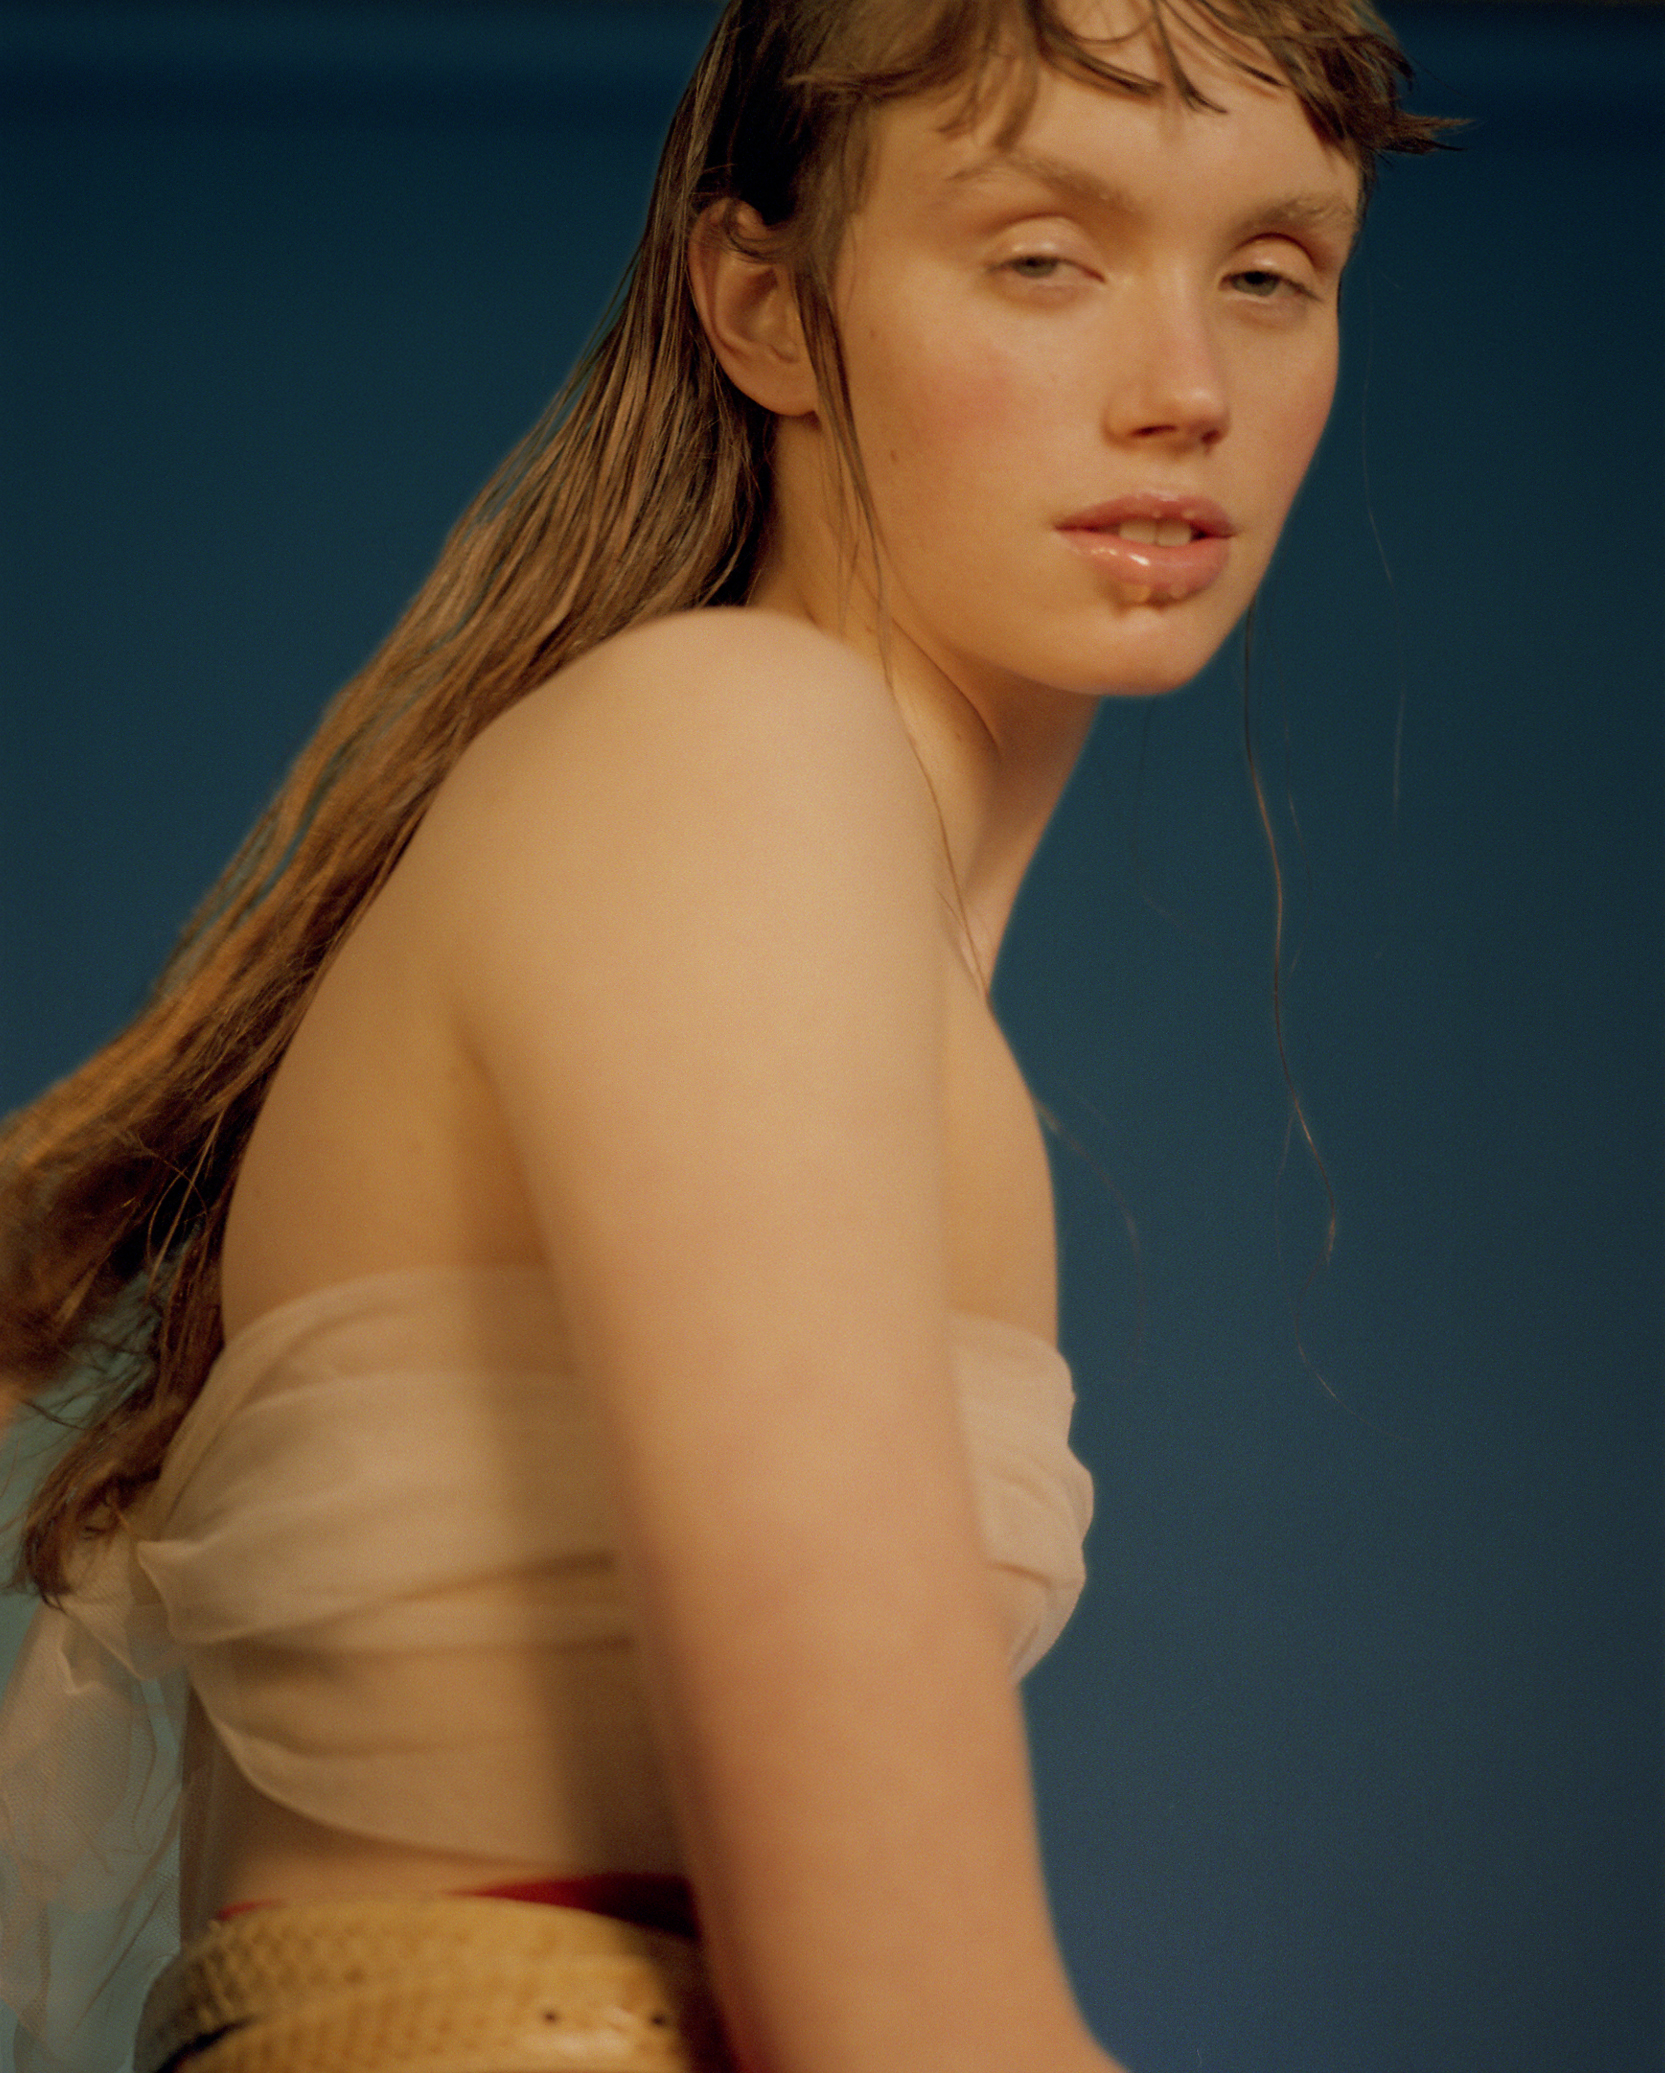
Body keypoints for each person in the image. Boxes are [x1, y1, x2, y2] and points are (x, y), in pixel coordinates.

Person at [0, 2, 1445, 2068]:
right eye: (1043, 255)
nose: (1186, 389)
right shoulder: (733, 751)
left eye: (1270, 273)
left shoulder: (760, 835)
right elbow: (898, 2013)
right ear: (762, 305)